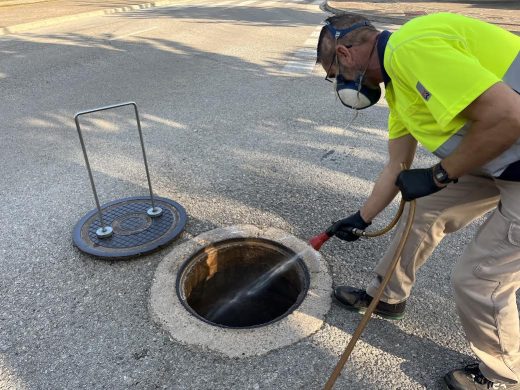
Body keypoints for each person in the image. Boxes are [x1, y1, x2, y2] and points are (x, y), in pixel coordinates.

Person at [315, 12, 520, 389]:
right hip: (500, 156)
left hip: (510, 149)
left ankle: (504, 375)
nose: (341, 83)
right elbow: (397, 164)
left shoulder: (412, 48)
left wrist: (438, 175)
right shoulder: (399, 88)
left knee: (479, 279)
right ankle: (386, 296)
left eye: (334, 73)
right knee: (424, 210)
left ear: (344, 55)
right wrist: (362, 217)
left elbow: (509, 116)